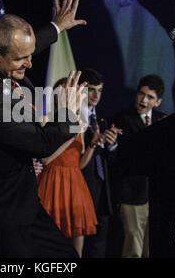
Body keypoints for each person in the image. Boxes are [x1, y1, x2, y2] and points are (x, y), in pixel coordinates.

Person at [0, 0, 88, 257]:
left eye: (30, 55)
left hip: (13, 199)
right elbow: (42, 143)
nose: (30, 64)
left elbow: (24, 48)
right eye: (21, 59)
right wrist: (67, 111)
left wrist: (56, 27)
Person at [37, 77, 99, 258]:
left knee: (76, 251)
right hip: (51, 183)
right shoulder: (45, 120)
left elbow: (78, 164)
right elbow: (46, 159)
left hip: (75, 186)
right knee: (47, 247)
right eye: (61, 91)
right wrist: (69, 137)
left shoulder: (79, 126)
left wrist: (92, 146)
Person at [113, 74, 166, 258]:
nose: (144, 100)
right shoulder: (121, 119)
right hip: (131, 194)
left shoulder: (163, 120)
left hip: (156, 195)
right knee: (133, 248)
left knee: (152, 247)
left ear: (158, 102)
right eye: (141, 94)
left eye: (150, 97)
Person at [77, 68, 122, 258]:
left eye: (100, 90)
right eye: (92, 90)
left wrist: (112, 145)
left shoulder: (103, 120)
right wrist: (94, 143)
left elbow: (111, 160)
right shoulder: (74, 118)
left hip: (103, 193)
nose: (96, 95)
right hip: (81, 189)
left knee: (99, 247)